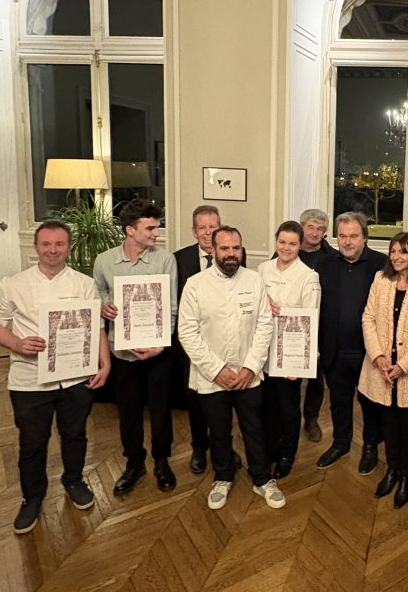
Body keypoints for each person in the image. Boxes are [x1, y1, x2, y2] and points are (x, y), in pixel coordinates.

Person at [0, 221, 111, 533]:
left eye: (59, 244)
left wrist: (104, 363)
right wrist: (17, 343)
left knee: (75, 434)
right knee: (33, 442)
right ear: (36, 247)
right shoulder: (13, 284)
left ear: (69, 247)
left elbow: (96, 327)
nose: (53, 250)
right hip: (29, 379)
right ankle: (32, 497)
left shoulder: (83, 284)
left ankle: (74, 481)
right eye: (46, 244)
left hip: (75, 377)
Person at [178, 226, 284, 511]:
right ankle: (223, 477)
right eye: (224, 248)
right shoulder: (195, 284)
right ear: (213, 250)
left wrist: (250, 367)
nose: (231, 254)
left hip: (248, 374)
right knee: (219, 431)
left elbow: (265, 325)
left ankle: (262, 478)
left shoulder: (254, 280)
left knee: (254, 428)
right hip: (212, 377)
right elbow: (187, 332)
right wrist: (217, 370)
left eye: (236, 248)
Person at [93, 199, 178, 496]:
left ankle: (162, 461)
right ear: (130, 230)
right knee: (128, 411)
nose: (156, 233)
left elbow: (171, 307)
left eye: (157, 227)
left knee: (160, 409)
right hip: (122, 351)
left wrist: (160, 345)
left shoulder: (165, 260)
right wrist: (104, 305)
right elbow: (98, 292)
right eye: (150, 228)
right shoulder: (104, 261)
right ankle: (134, 463)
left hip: (157, 352)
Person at [358, 232, 408, 508]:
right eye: (393, 251)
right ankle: (392, 469)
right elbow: (368, 318)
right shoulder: (381, 280)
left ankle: (406, 476)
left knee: (407, 422)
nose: (396, 256)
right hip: (381, 366)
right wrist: (378, 356)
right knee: (387, 420)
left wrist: (403, 365)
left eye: (403, 251)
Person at [316, 211, 387, 473]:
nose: (347, 242)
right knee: (338, 402)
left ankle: (370, 447)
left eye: (353, 236)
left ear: (364, 237)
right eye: (342, 236)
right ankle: (341, 443)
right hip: (334, 350)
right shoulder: (325, 265)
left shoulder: (381, 265)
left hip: (368, 352)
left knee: (370, 404)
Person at [173, 204, 241, 475]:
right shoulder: (179, 260)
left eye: (213, 226)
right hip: (192, 348)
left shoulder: (234, 255)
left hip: (225, 347)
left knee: (223, 404)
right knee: (196, 402)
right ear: (194, 231)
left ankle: (224, 448)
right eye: (202, 227)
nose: (207, 232)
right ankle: (199, 448)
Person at [258, 220, 321, 479]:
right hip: (263, 350)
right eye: (282, 242)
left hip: (290, 355)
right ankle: (270, 449)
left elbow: (311, 320)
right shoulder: (262, 269)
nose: (286, 248)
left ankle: (287, 454)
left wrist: (300, 364)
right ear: (276, 242)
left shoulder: (308, 276)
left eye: (292, 244)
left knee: (288, 407)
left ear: (300, 246)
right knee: (267, 406)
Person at [297, 208, 334, 442]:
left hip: (321, 324)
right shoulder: (288, 249)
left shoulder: (332, 257)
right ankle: (289, 418)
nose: (314, 233)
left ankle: (311, 418)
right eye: (310, 227)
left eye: (320, 229)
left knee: (316, 377)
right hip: (291, 324)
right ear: (302, 228)